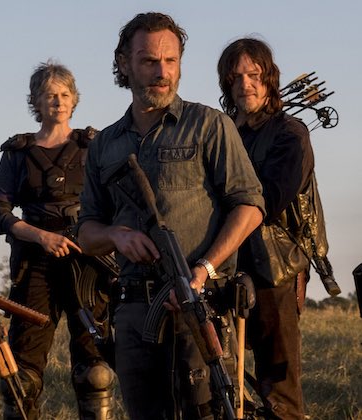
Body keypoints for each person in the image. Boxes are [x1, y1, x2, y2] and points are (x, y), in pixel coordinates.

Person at [77, 12, 266, 420]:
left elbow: (250, 207)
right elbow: (86, 232)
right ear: (124, 63)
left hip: (198, 303)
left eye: (171, 61)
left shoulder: (209, 125)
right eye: (149, 61)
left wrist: (203, 269)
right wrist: (117, 236)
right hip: (133, 310)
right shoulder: (104, 145)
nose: (162, 73)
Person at [0, 60, 115, 420]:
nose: (58, 101)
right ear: (36, 102)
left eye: (64, 94)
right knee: (22, 378)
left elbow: (117, 203)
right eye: (49, 95)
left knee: (96, 372)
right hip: (35, 265)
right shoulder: (17, 152)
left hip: (88, 263)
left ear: (74, 100)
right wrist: (40, 236)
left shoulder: (95, 146)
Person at [217, 38, 314, 419]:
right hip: (223, 265)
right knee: (223, 380)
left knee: (279, 390)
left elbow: (270, 200)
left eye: (254, 75)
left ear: (269, 78)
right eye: (236, 77)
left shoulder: (290, 133)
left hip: (275, 269)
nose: (245, 84)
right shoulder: (222, 133)